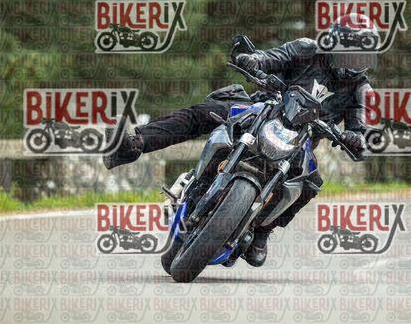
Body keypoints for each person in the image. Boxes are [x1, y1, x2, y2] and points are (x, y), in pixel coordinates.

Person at [103, 17, 376, 267]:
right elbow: (272, 57)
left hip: (300, 141)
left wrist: (357, 139)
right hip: (262, 108)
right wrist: (252, 60)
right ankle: (134, 144)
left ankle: (262, 232)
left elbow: (362, 129)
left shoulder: (361, 90)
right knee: (205, 112)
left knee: (310, 184)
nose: (354, 60)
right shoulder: (307, 49)